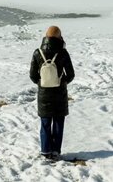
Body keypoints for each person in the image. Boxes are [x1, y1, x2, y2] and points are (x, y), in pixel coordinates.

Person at [29, 26, 75, 160]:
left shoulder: (38, 53)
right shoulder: (63, 53)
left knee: (45, 124)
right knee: (58, 124)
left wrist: (43, 83)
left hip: (44, 95)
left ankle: (45, 151)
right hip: (60, 94)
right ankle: (55, 151)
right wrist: (61, 82)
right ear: (59, 37)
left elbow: (32, 76)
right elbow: (71, 75)